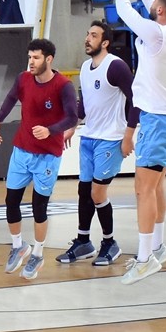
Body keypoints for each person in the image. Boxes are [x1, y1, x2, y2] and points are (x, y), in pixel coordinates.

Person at [107, 0, 166, 285]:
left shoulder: (155, 33)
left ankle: (144, 258)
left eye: (154, 4)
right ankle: (157, 248)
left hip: (157, 117)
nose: (150, 1)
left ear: (159, 11)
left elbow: (127, 12)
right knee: (154, 188)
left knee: (143, 189)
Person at [0, 38, 79, 280]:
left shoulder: (64, 85)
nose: (31, 61)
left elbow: (73, 118)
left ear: (48, 59)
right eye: (30, 57)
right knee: (11, 201)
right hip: (22, 150)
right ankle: (18, 246)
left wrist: (51, 130)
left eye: (36, 57)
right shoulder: (23, 79)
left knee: (39, 207)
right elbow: (10, 99)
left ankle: (38, 253)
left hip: (47, 156)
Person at [57, 21, 138, 267]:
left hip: (111, 138)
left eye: (93, 35)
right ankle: (83, 242)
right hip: (89, 137)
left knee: (97, 192)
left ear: (104, 42)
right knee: (84, 191)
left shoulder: (116, 66)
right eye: (87, 33)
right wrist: (73, 126)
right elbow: (85, 103)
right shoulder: (84, 67)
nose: (87, 38)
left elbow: (136, 99)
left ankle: (110, 242)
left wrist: (128, 136)